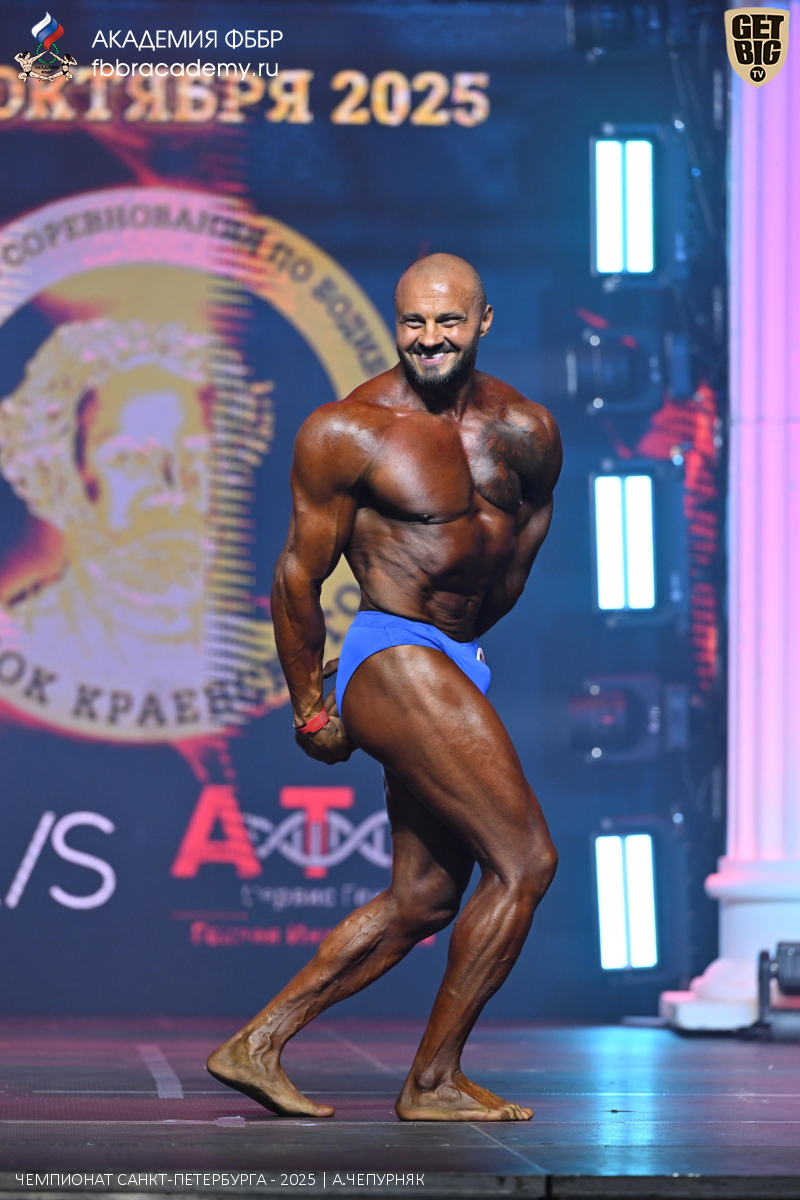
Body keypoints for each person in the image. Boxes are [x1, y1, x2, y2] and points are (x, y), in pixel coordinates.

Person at [208, 253, 563, 1121]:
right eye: (413, 321)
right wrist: (312, 706)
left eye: (448, 321)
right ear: (394, 323)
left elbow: (516, 559)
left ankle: (256, 1044)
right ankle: (433, 1081)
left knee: (424, 899)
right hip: (393, 650)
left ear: (482, 322)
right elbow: (296, 578)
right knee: (525, 861)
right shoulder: (350, 431)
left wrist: (460, 658)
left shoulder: (527, 430)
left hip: (454, 660)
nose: (429, 338)